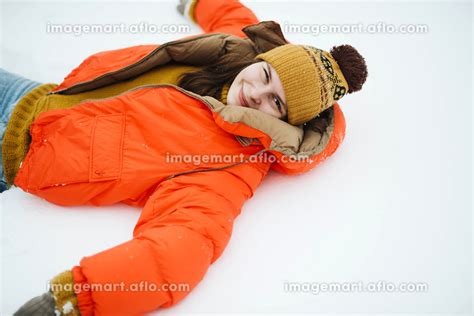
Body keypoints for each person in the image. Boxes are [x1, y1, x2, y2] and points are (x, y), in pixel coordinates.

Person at [5, 0, 368, 314]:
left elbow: (183, 245)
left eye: (277, 102)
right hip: (33, 96)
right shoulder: (231, 49)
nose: (257, 92)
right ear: (261, 59)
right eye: (266, 74)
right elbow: (231, 12)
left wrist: (80, 296)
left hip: (17, 156)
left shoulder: (231, 162)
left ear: (288, 122)